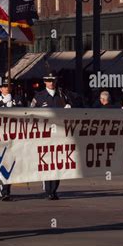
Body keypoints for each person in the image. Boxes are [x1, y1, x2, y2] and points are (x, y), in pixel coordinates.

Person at [30, 70, 71, 200]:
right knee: (47, 162)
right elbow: (31, 114)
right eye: (48, 81)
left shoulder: (62, 95)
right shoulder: (39, 97)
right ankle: (48, 190)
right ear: (44, 82)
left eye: (53, 80)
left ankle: (54, 189)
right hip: (45, 134)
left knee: (58, 162)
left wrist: (70, 109)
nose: (51, 83)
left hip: (60, 134)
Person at [0, 78, 23, 201]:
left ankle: (7, 190)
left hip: (14, 135)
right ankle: (3, 190)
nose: (6, 88)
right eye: (4, 86)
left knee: (11, 163)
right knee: (2, 163)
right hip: (0, 135)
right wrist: (2, 104)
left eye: (8, 86)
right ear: (0, 88)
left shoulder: (17, 99)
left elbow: (24, 112)